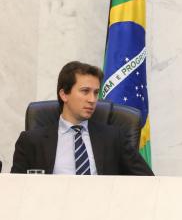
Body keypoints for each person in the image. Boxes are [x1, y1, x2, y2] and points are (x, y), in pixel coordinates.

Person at [11, 61, 154, 176]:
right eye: (85, 91)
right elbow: (15, 189)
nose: (92, 100)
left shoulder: (114, 138)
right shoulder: (31, 141)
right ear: (64, 95)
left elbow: (148, 181)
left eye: (96, 93)